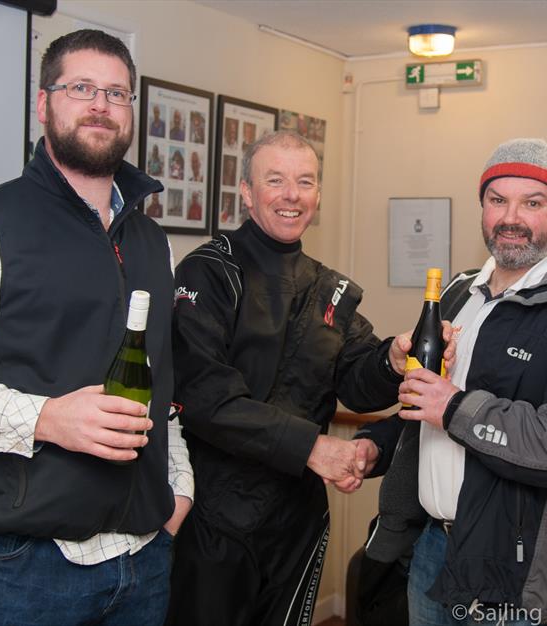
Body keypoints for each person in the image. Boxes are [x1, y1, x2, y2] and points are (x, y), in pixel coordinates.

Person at [0, 29, 193, 626]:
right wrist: (46, 418)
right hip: (20, 566)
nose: (101, 105)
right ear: (44, 104)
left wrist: (179, 490)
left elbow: (159, 387)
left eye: (117, 93)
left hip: (142, 557)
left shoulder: (154, 242)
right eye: (81, 88)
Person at [356, 138, 547, 626]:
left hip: (523, 574)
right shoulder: (457, 294)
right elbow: (430, 409)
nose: (511, 217)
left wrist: (456, 407)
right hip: (433, 549)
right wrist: (374, 444)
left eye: (532, 203)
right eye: (497, 200)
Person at [165, 130, 454, 626]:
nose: (291, 195)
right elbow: (207, 398)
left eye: (305, 182)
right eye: (275, 181)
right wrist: (314, 448)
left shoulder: (331, 289)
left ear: (318, 196)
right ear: (248, 193)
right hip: (214, 514)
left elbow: (358, 384)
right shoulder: (208, 273)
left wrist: (391, 357)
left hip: (296, 519)